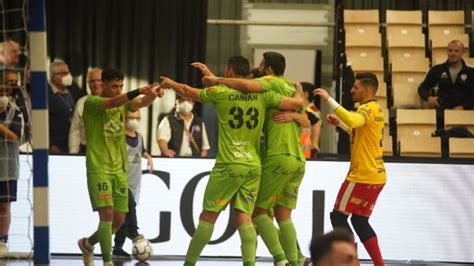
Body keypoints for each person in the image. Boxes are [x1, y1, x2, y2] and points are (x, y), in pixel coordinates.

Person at [160, 55, 304, 266]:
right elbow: (296, 103)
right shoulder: (264, 95)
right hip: (253, 166)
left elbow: (189, 92)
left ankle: (188, 264)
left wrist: (171, 83)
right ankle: (279, 260)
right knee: (244, 218)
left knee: (208, 217)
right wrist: (297, 105)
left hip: (229, 164)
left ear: (229, 72)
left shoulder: (222, 93)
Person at [77, 67, 161, 266]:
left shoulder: (123, 103)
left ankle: (88, 244)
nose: (118, 90)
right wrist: (139, 89)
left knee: (119, 220)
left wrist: (152, 95)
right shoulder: (92, 102)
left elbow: (140, 104)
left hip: (118, 169)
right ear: (103, 84)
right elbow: (114, 102)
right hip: (99, 168)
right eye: (114, 86)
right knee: (106, 215)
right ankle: (107, 262)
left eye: (121, 86)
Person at [314, 72, 386, 266]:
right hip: (376, 176)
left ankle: (350, 263)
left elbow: (354, 121)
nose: (352, 90)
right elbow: (358, 131)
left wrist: (329, 99)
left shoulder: (368, 109)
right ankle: (379, 264)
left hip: (362, 175)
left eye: (356, 87)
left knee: (337, 217)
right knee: (360, 221)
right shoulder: (376, 109)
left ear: (367, 89)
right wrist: (341, 124)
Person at [112, 110, 153, 259]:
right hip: (122, 181)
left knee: (122, 216)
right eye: (131, 117)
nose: (134, 120)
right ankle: (134, 231)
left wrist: (149, 158)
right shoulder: (119, 137)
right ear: (125, 118)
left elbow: (142, 151)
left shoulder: (140, 137)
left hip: (135, 183)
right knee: (129, 207)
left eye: (137, 118)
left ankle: (117, 248)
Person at [418, 40, 474, 128]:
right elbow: (422, 87)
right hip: (441, 113)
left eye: (456, 51)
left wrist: (463, 106)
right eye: (450, 50)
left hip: (464, 113)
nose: (453, 53)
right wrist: (428, 98)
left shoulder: (471, 73)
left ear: (463, 52)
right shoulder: (437, 70)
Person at [0, 83, 23, 254]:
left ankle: (2, 242)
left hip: (7, 167)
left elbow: (15, 136)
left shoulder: (15, 112)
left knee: (4, 206)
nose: (3, 95)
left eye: (4, 92)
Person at [69, 68, 103, 154]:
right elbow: (75, 130)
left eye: (99, 80)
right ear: (88, 84)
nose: (96, 84)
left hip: (107, 151)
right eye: (92, 81)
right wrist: (73, 154)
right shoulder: (81, 102)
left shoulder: (113, 101)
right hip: (86, 150)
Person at [48, 61, 76, 154]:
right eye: (64, 73)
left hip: (68, 144)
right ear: (53, 76)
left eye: (68, 73)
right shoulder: (46, 94)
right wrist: (50, 144)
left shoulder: (68, 93)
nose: (68, 76)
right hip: (54, 146)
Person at [300, 82, 321, 158]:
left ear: (306, 94)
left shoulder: (311, 111)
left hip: (306, 150)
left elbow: (317, 123)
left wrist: (315, 144)